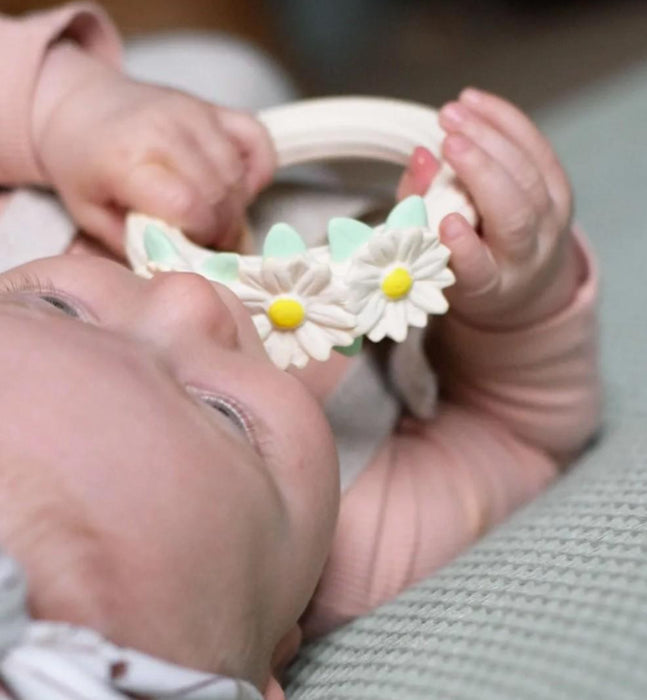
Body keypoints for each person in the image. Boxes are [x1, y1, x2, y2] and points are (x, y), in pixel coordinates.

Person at [0, 3, 600, 699]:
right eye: (224, 415)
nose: (190, 298)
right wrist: (516, 298)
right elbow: (519, 437)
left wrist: (64, 107)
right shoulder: (334, 553)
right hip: (339, 190)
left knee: (217, 67)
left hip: (132, 86)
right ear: (272, 662)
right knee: (231, 70)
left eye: (59, 307)